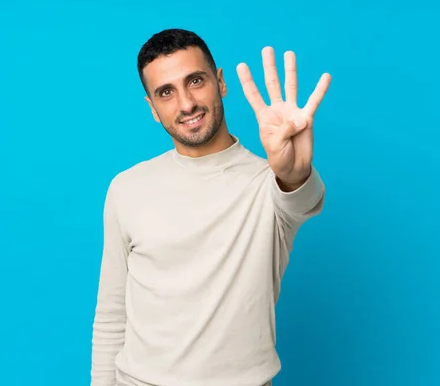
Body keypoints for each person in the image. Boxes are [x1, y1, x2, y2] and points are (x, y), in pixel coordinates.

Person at [91, 28, 331, 386]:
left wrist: (295, 172)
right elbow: (112, 314)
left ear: (220, 82)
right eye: (166, 92)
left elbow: (300, 196)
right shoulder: (126, 187)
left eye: (196, 81)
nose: (186, 104)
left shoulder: (267, 184)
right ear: (152, 108)